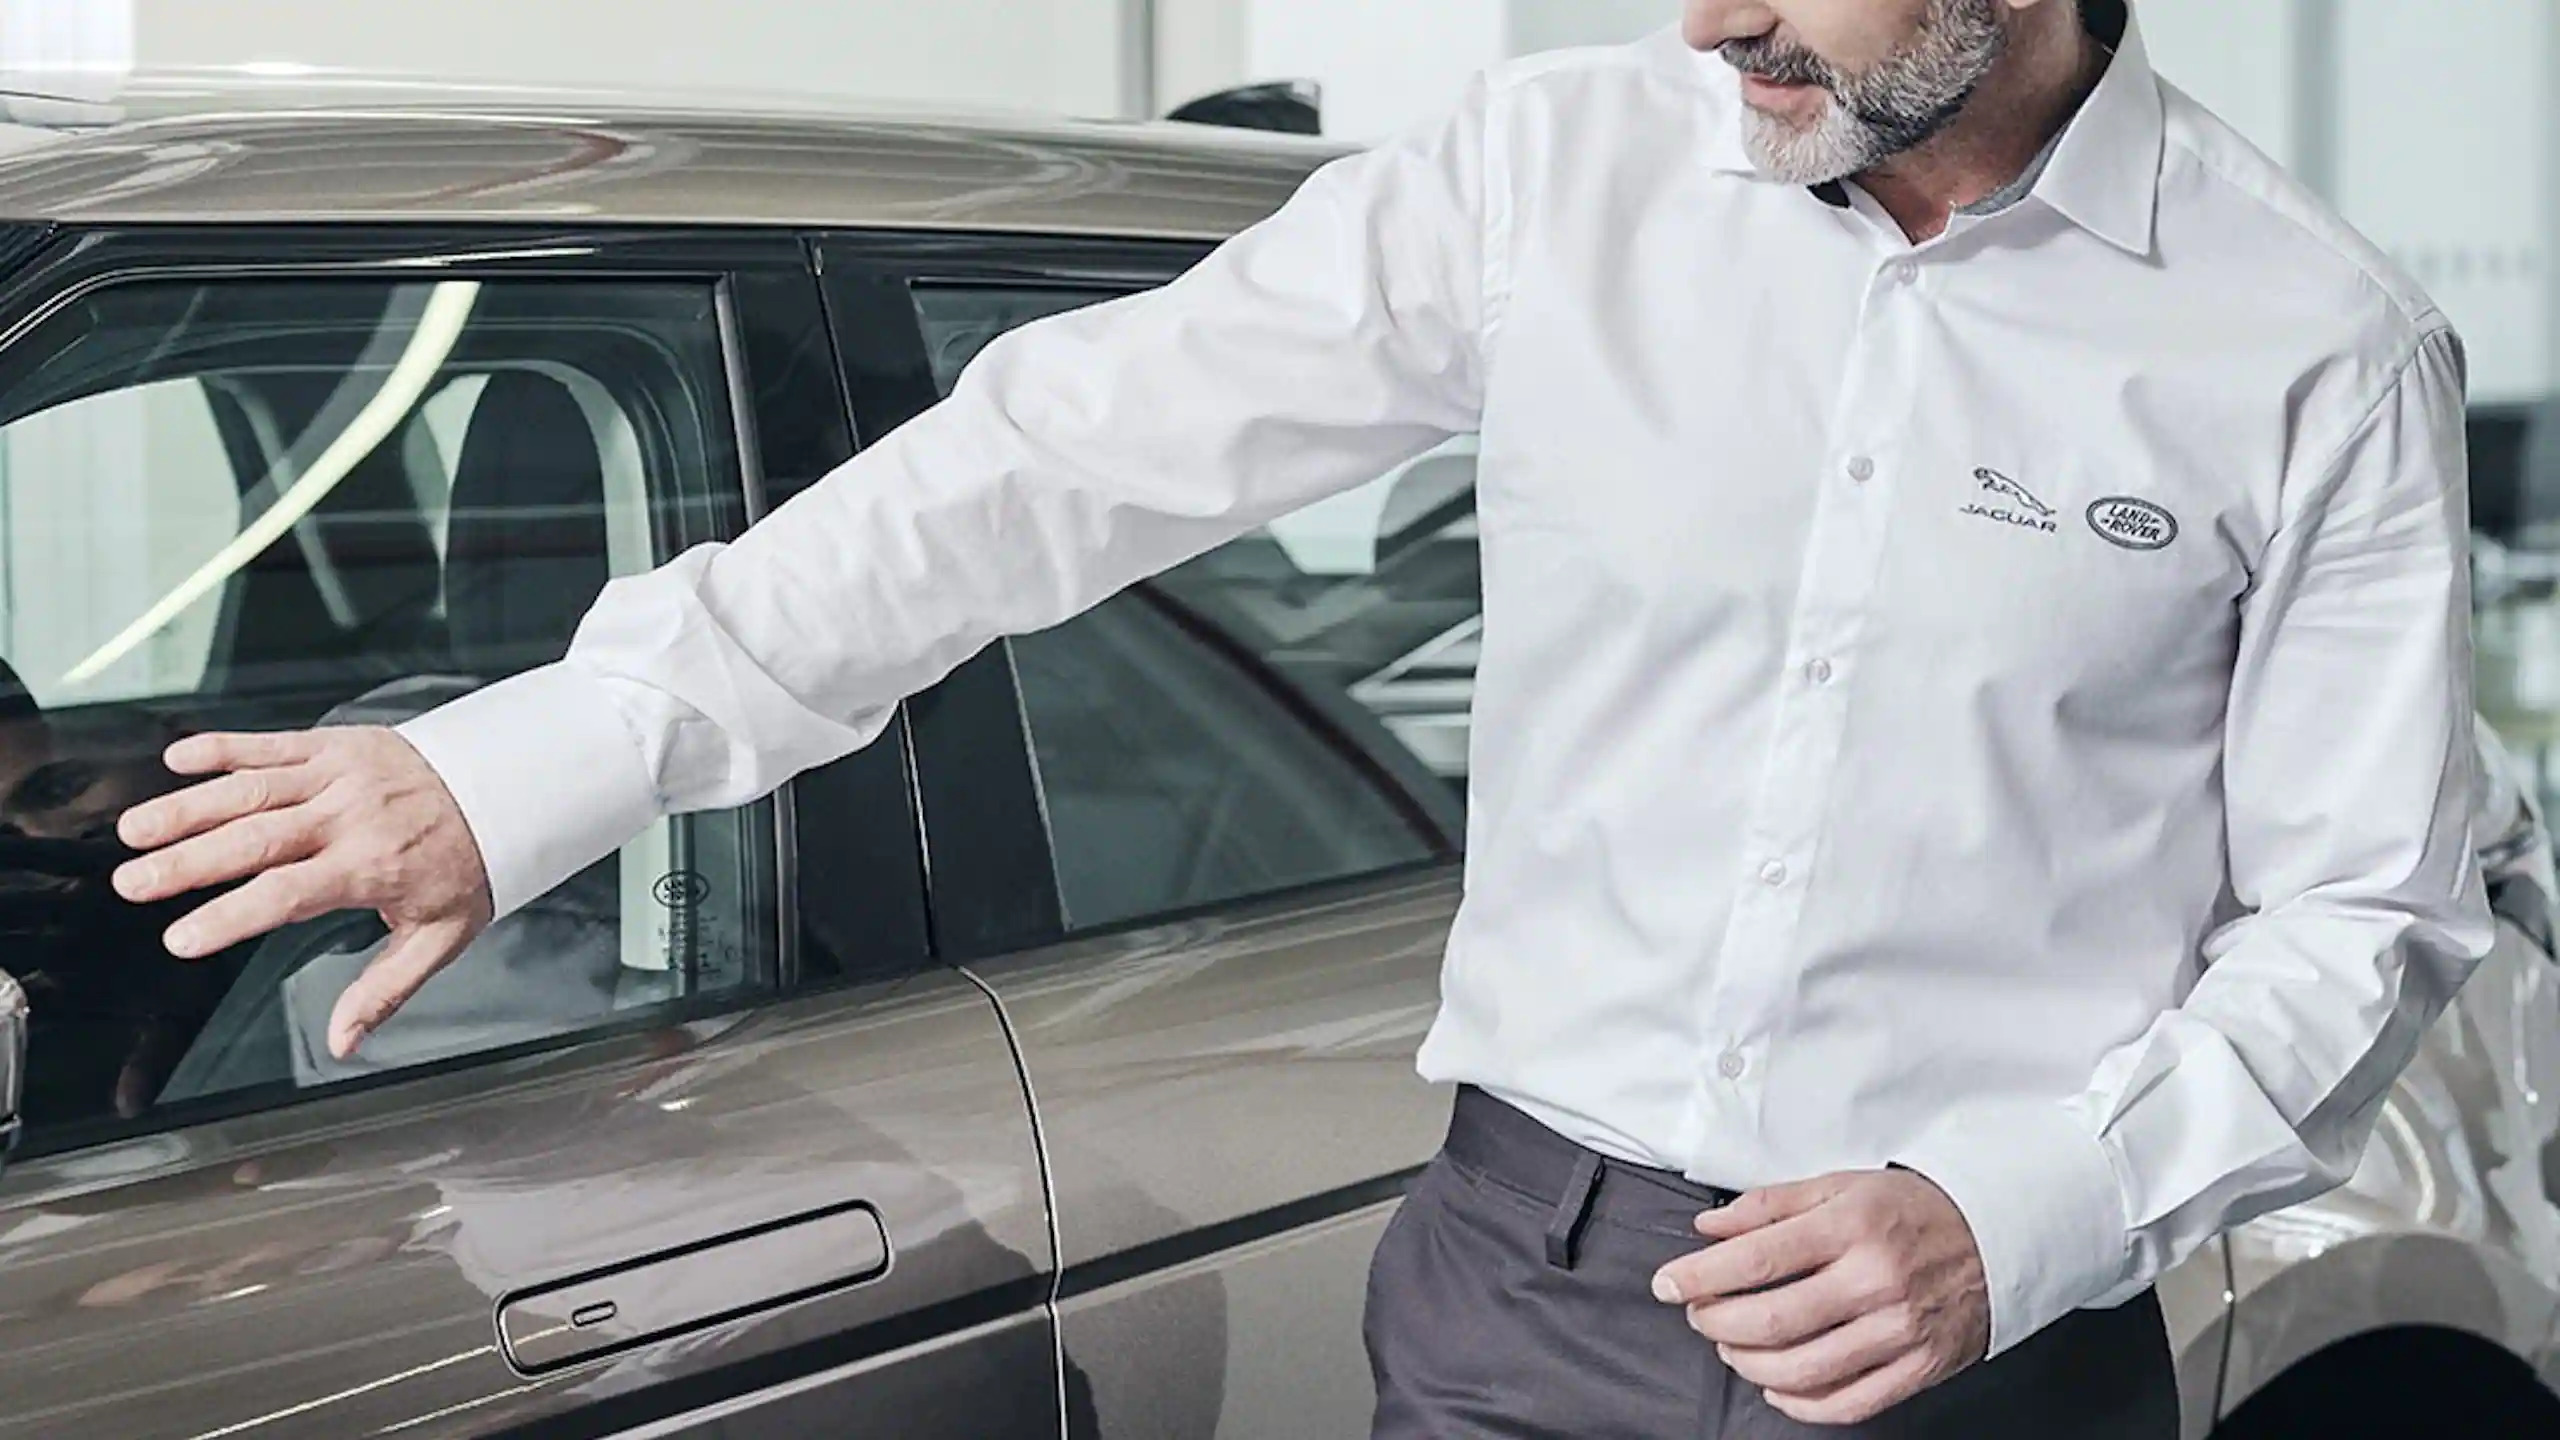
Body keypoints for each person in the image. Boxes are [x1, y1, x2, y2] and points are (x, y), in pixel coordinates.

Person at [110, 0, 2491, 1434]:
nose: (1703, 25)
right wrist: (537, 758)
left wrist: (2020, 1213)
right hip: (1521, 1286)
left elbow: (2360, 913)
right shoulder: (1550, 176)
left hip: (1973, 1338)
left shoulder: (2305, 342)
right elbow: (1035, 471)